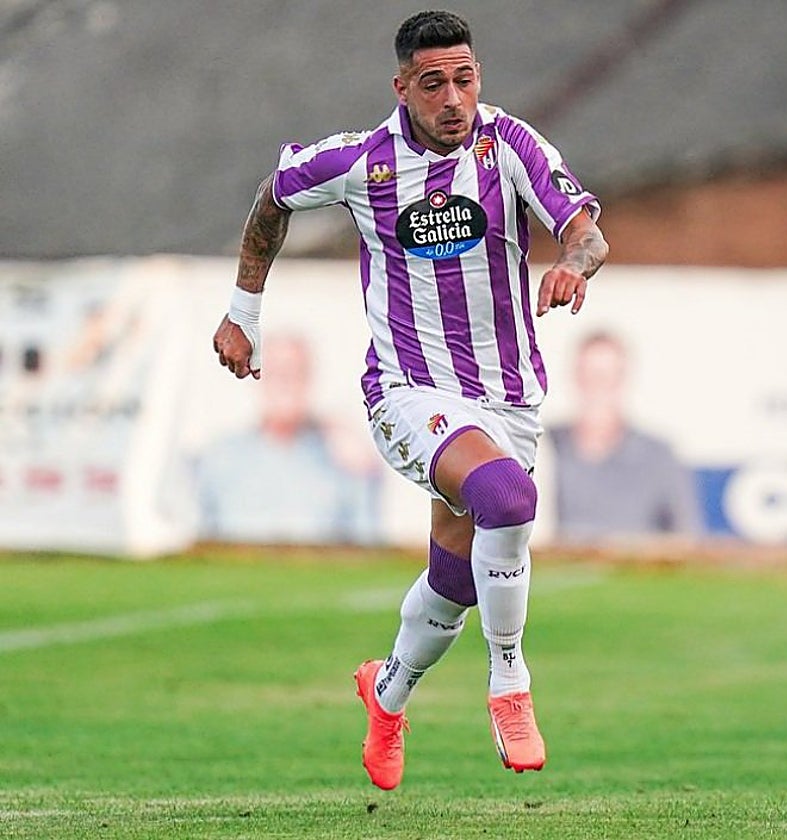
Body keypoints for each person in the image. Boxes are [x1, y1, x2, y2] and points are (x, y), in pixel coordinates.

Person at [211, 10, 608, 790]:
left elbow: (587, 232)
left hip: (510, 398)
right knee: (508, 497)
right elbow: (272, 199)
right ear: (403, 88)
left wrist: (574, 263)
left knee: (457, 579)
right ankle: (510, 683)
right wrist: (242, 313)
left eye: (465, 79)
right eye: (434, 84)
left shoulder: (511, 145)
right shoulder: (361, 162)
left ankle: (386, 694)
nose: (453, 98)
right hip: (408, 390)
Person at [193, 334, 379, 544]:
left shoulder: (343, 456)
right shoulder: (220, 457)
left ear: (309, 379)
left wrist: (366, 474)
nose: (284, 383)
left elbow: (367, 545)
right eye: (275, 372)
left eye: (294, 372)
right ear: (257, 378)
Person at [548, 332, 702, 542]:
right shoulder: (543, 450)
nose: (597, 389)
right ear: (575, 378)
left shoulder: (659, 457)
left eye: (606, 378)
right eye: (588, 377)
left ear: (623, 380)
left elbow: (688, 539)